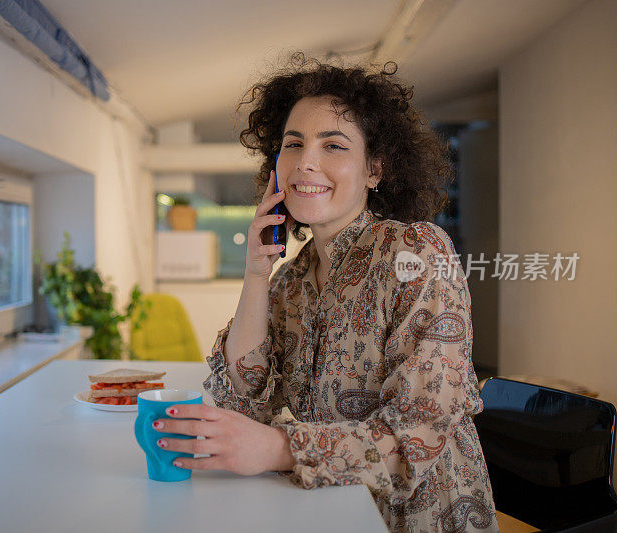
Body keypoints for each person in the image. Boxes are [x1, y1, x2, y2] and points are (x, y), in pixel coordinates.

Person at [150, 53, 498, 533]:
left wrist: (279, 448)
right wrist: (256, 274)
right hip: (328, 505)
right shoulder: (292, 280)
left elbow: (417, 432)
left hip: (418, 514)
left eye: (333, 145)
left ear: (374, 169)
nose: (306, 162)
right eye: (293, 145)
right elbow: (242, 399)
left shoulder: (415, 252)